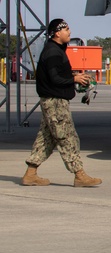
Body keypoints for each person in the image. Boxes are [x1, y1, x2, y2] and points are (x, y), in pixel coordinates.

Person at [21, 19, 102, 187]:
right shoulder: (52, 52)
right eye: (66, 29)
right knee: (68, 137)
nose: (69, 32)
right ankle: (79, 175)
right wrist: (74, 78)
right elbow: (55, 78)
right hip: (55, 102)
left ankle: (30, 173)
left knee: (46, 139)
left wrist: (76, 78)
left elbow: (58, 74)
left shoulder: (57, 50)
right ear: (57, 33)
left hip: (54, 100)